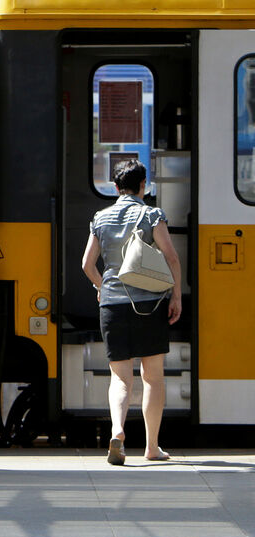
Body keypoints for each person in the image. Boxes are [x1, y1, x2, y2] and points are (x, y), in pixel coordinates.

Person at [81, 159, 181, 465]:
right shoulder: (151, 215)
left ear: (114, 187)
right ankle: (152, 447)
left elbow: (86, 265)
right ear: (144, 186)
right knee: (152, 378)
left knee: (120, 378)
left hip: (112, 304)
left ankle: (117, 431)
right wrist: (175, 296)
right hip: (149, 304)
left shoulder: (101, 217)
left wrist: (102, 287)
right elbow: (171, 257)